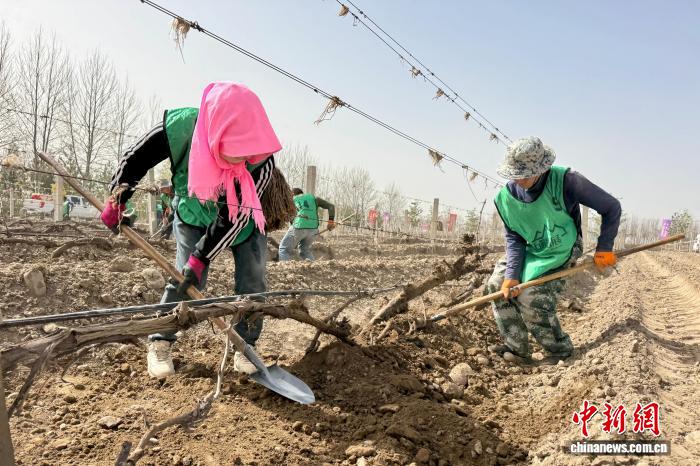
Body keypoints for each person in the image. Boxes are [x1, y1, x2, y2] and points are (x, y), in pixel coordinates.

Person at [101, 82, 287, 378]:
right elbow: (136, 159)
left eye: (246, 154)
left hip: (242, 220)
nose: (242, 160)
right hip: (192, 212)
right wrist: (118, 198)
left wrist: (201, 256)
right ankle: (160, 340)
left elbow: (234, 218)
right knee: (185, 277)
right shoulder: (181, 128)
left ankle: (245, 346)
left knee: (253, 282)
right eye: (235, 151)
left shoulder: (261, 159)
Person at [485, 137, 621, 364]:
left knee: (531, 296)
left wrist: (604, 248)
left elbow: (611, 207)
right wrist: (512, 274)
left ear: (541, 169)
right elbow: (514, 238)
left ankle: (559, 350)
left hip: (562, 247)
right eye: (514, 175)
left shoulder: (567, 181)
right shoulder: (506, 198)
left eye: (524, 175)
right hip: (532, 248)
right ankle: (517, 348)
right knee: (497, 287)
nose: (518, 180)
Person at [278, 188, 335, 261]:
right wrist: (330, 222)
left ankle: (284, 267)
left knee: (283, 249)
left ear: (292, 194)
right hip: (313, 229)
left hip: (299, 226)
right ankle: (312, 267)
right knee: (305, 250)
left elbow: (290, 219)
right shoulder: (314, 198)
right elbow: (331, 206)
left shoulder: (292, 199)